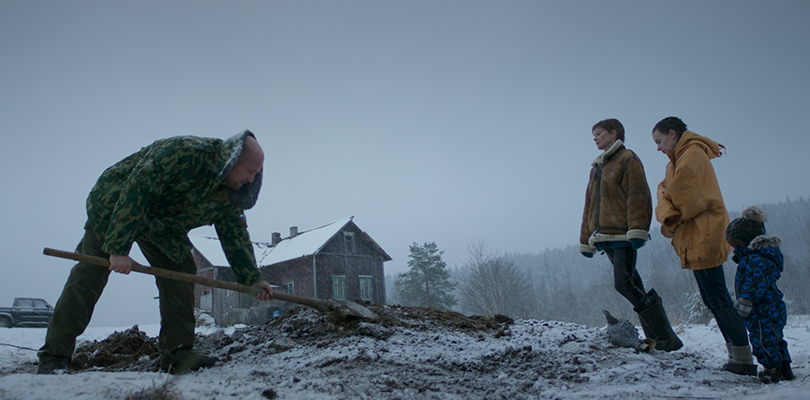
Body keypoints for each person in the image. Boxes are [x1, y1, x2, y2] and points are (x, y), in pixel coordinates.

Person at [38, 130, 274, 375]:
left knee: (181, 272)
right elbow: (137, 189)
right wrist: (118, 248)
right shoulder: (185, 153)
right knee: (89, 275)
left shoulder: (231, 194)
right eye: (249, 171)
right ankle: (54, 357)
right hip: (117, 206)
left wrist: (252, 279)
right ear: (233, 160)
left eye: (256, 174)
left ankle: (177, 355)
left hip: (163, 225)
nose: (251, 179)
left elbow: (235, 236)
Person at [651, 116, 755, 375]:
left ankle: (743, 360)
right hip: (697, 234)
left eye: (659, 140)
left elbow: (681, 200)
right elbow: (664, 190)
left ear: (673, 134)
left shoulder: (692, 156)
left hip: (704, 235)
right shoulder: (676, 163)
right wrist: (665, 196)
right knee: (714, 299)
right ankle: (738, 357)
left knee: (718, 300)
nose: (658, 147)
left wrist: (665, 201)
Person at [579, 118, 682, 351]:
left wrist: (638, 230)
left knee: (623, 284)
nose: (595, 138)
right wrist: (586, 239)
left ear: (614, 133)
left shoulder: (628, 159)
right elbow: (590, 205)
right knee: (633, 283)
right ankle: (659, 337)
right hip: (605, 236)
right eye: (593, 134)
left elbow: (638, 196)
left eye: (599, 133)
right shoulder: (597, 167)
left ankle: (665, 336)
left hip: (623, 235)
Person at [726, 205, 794, 383]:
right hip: (769, 307)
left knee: (762, 340)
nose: (732, 249)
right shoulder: (756, 257)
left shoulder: (756, 260)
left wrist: (746, 301)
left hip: (763, 309)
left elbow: (755, 284)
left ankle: (772, 369)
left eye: (734, 245)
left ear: (743, 242)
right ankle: (784, 367)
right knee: (775, 338)